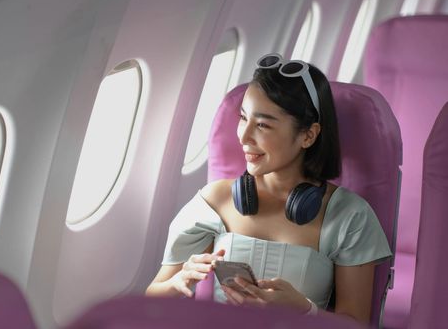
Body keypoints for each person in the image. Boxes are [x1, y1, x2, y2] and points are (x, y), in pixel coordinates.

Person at [145, 53, 391, 324]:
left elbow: (356, 325)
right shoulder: (214, 201)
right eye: (243, 118)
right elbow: (150, 299)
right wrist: (178, 282)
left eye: (262, 124)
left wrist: (305, 311)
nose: (244, 135)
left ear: (308, 135)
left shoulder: (349, 216)